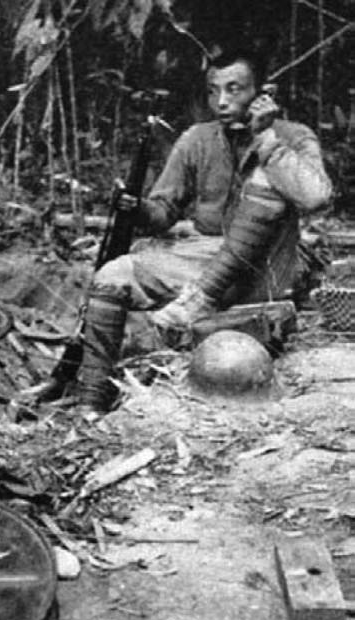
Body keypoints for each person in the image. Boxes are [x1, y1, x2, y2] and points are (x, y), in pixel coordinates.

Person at [76, 49, 333, 410]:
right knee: (112, 276)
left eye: (234, 89)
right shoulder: (197, 139)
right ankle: (91, 402)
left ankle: (202, 299)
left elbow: (317, 197)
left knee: (268, 177)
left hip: (267, 267)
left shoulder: (292, 136)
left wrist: (266, 139)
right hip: (201, 260)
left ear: (262, 93)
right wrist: (138, 208)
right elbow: (164, 212)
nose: (221, 102)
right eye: (213, 91)